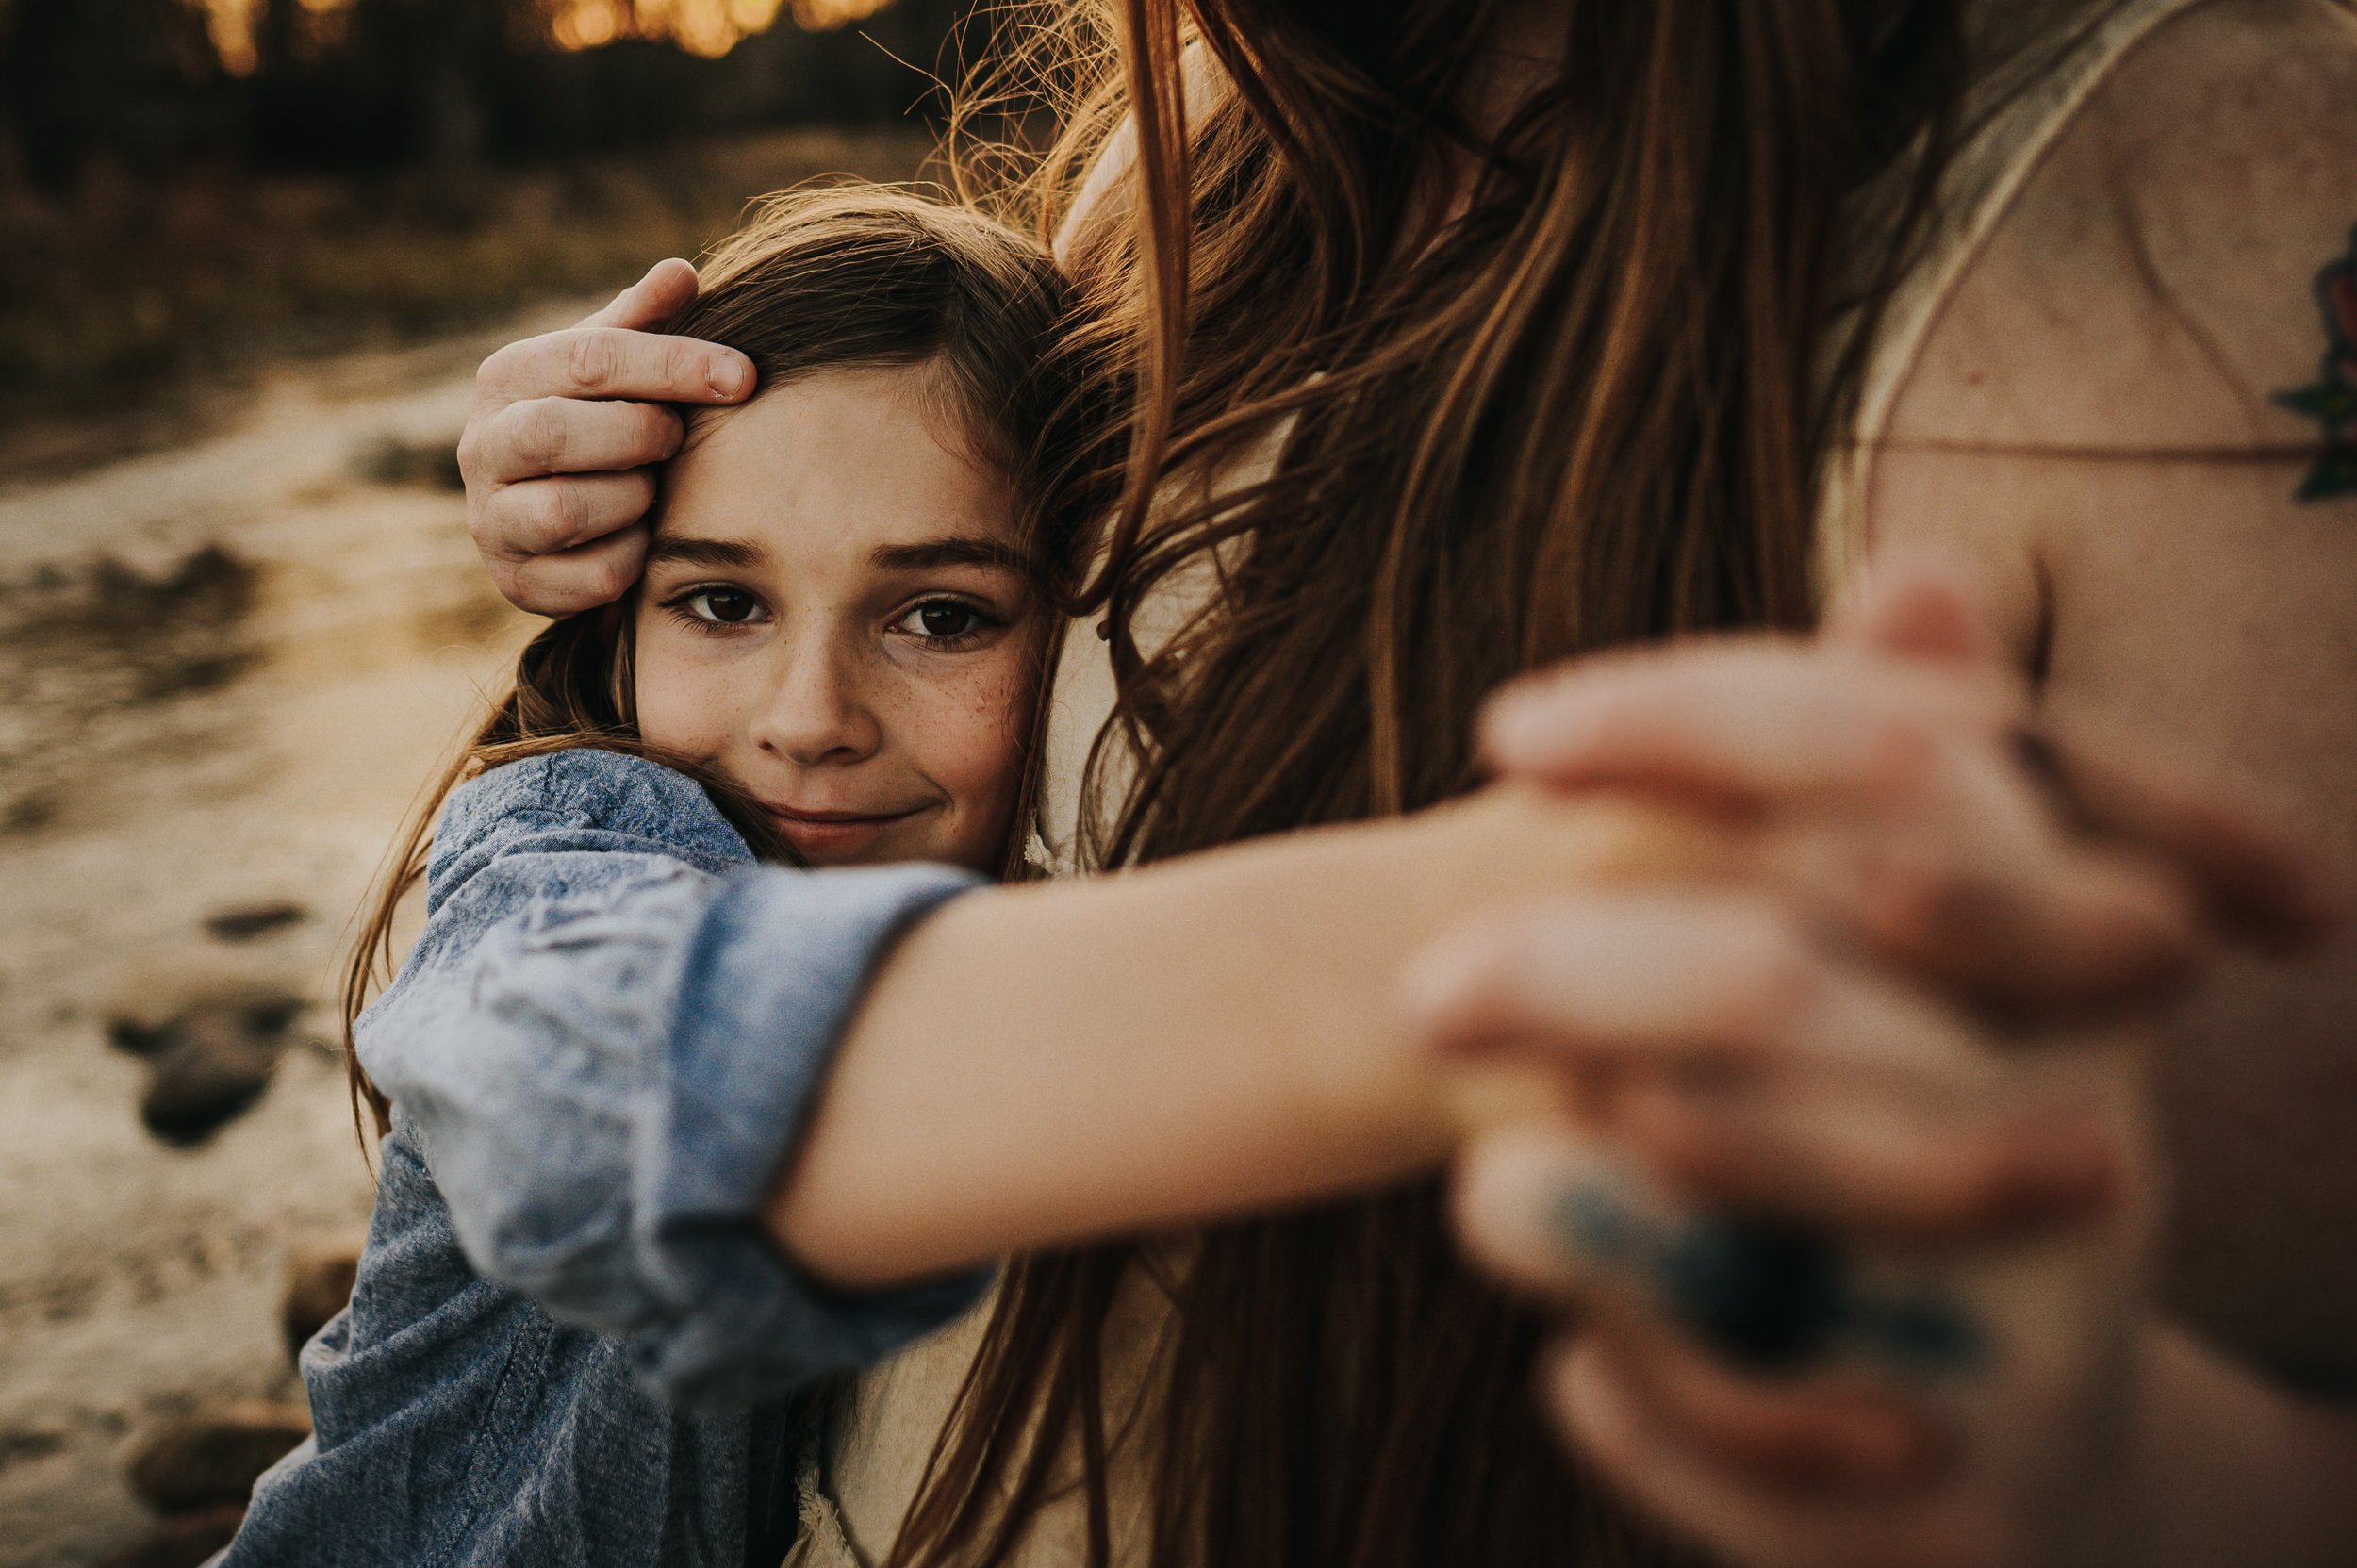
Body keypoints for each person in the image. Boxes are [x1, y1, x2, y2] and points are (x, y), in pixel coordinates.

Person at [450, 0, 2357, 1564]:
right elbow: (579, 1037)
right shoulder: (1200, 151)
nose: (807, 708)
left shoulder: (2211, 203)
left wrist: (2119, 1469)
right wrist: (593, 490)